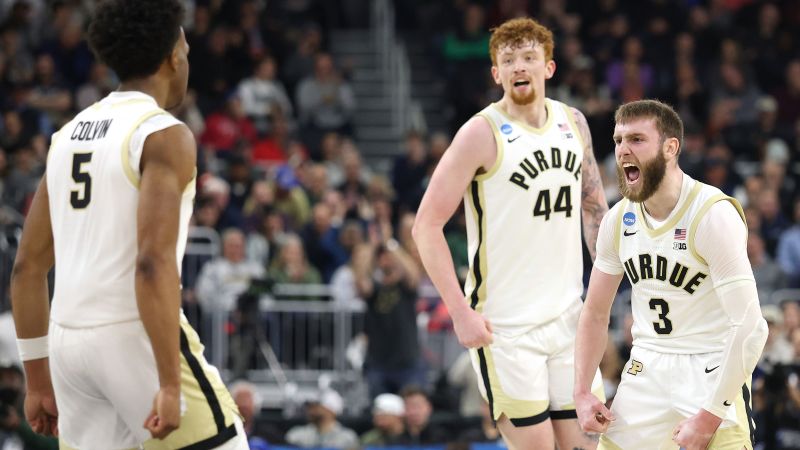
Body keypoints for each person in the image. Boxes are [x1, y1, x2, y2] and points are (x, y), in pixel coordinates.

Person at [9, 1, 247, 448]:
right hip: (134, 333)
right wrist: (170, 383)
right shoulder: (162, 132)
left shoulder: (66, 135)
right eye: (187, 51)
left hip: (68, 344)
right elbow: (153, 264)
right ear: (174, 56)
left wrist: (38, 380)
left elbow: (27, 267)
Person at [412, 16, 608, 450]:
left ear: (549, 67)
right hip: (505, 328)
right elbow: (425, 225)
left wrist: (612, 284)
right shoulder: (479, 133)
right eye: (508, 59)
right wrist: (459, 311)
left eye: (529, 57)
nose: (520, 66)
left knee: (584, 446)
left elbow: (594, 206)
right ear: (496, 73)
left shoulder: (573, 122)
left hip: (568, 318)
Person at [573, 99, 769, 450]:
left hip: (711, 366)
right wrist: (582, 391)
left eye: (636, 139)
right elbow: (595, 311)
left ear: (670, 147)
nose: (622, 150)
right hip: (646, 366)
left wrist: (709, 417)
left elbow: (751, 325)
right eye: (618, 140)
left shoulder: (711, 215)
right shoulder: (618, 220)